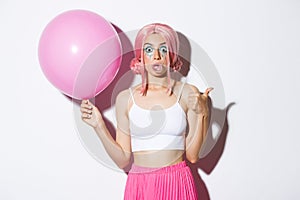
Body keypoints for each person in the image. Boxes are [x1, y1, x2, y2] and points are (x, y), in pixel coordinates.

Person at [80, 23, 213, 200]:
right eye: (149, 50)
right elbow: (123, 160)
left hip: (177, 181)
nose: (156, 56)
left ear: (172, 55)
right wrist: (99, 126)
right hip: (139, 185)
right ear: (141, 56)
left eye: (163, 49)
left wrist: (203, 113)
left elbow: (193, 155)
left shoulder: (188, 93)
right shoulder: (125, 98)